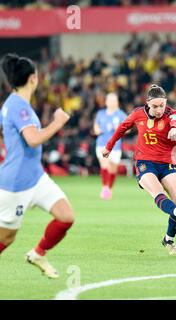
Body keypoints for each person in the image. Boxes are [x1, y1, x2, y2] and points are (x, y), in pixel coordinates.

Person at [0, 53, 74, 278]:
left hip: (36, 177)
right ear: (33, 78)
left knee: (65, 216)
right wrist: (58, 122)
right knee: (6, 238)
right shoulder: (17, 106)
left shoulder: (19, 103)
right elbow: (32, 139)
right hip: (16, 183)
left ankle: (38, 253)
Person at [103, 84, 176, 256]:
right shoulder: (137, 114)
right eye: (155, 106)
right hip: (145, 163)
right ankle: (174, 211)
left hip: (167, 164)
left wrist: (174, 129)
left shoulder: (171, 114)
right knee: (162, 196)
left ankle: (168, 239)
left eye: (162, 106)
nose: (159, 110)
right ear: (148, 104)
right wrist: (109, 147)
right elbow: (121, 129)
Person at [94, 92, 127, 200]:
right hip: (102, 144)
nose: (112, 102)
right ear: (106, 102)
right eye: (110, 100)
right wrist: (97, 130)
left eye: (114, 100)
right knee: (105, 165)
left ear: (117, 102)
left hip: (115, 146)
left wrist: (121, 129)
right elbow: (96, 126)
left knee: (113, 170)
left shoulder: (121, 114)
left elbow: (129, 128)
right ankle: (105, 188)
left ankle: (109, 189)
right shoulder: (101, 113)